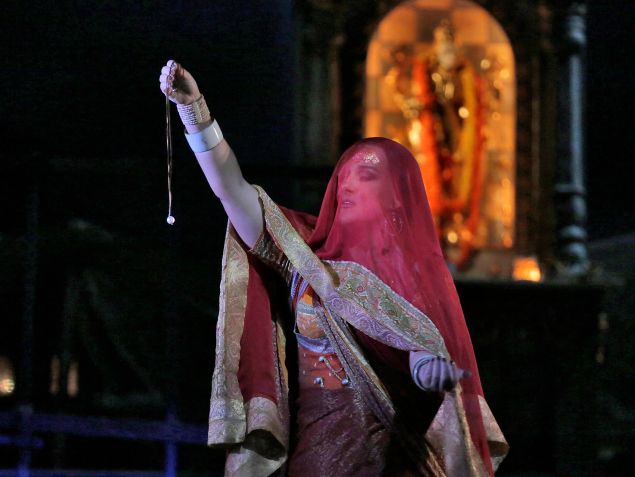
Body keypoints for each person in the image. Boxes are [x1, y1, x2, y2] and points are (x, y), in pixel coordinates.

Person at [159, 60, 507, 476]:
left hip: (392, 459)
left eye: (370, 178)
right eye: (348, 179)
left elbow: (419, 343)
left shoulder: (414, 282)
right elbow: (232, 191)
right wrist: (194, 110)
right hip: (316, 458)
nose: (355, 187)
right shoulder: (303, 257)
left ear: (399, 202)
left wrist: (427, 367)